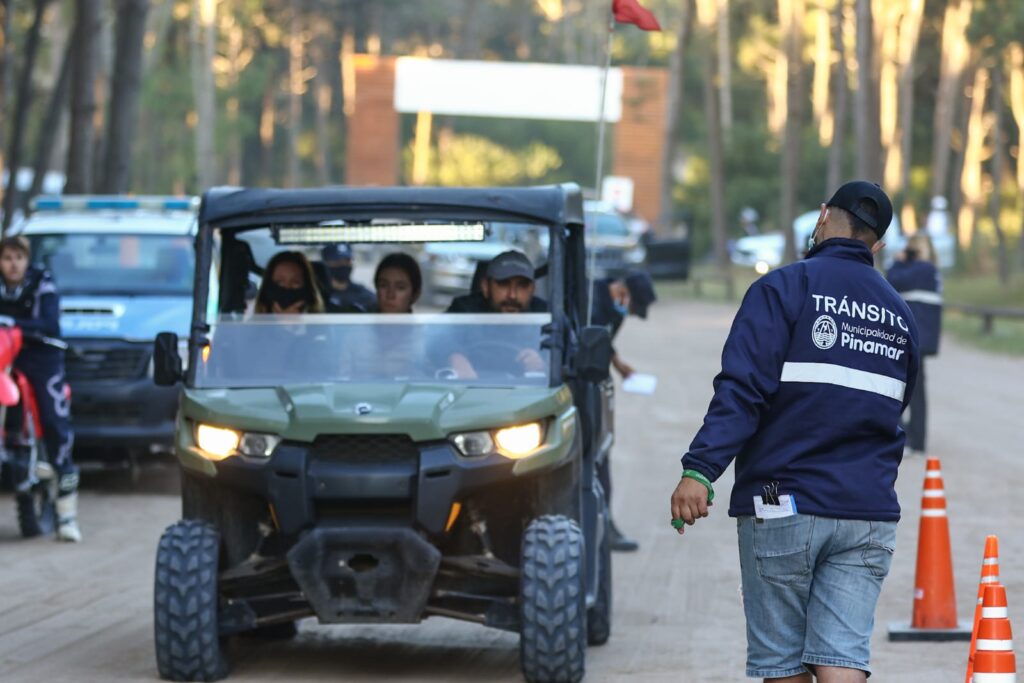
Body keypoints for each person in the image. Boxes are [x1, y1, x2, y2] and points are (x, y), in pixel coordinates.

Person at [669, 182, 919, 683]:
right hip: (867, 514)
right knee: (842, 659)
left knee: (783, 663)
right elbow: (895, 405)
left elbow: (742, 390)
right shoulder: (899, 315)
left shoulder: (783, 288)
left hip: (782, 504)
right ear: (877, 245)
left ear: (823, 216)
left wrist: (700, 470)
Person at [0, 236, 80, 542]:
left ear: (27, 260)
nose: (12, 264)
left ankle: (67, 516)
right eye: (7, 258)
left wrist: (13, 323)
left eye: (18, 258)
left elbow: (49, 323)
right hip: (4, 357)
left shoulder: (42, 283)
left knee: (53, 419)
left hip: (40, 356)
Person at [589, 270, 657, 553]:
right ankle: (598, 526)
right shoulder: (590, 299)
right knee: (594, 455)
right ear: (622, 292)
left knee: (602, 451)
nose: (628, 314)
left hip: (597, 386)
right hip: (580, 389)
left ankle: (605, 524)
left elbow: (603, 342)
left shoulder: (613, 311)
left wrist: (618, 364)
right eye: (631, 307)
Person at [445, 250, 547, 378]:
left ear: (532, 289)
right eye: (503, 284)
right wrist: (454, 356)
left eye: (522, 286)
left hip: (527, 389)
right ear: (486, 286)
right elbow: (437, 339)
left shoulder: (546, 315)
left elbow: (564, 358)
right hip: (471, 387)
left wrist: (544, 364)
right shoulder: (464, 309)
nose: (512, 295)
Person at [887, 232, 942, 457]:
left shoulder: (920, 269)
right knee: (918, 390)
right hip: (923, 338)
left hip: (911, 337)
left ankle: (907, 437)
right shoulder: (932, 270)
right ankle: (917, 440)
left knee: (902, 387)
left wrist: (897, 262)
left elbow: (892, 280)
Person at [254, 251, 325, 314]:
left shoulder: (322, 322)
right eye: (279, 282)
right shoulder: (253, 323)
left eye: (295, 282)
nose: (287, 287)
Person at [320, 244, 375, 312]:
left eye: (347, 261)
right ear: (326, 263)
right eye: (338, 261)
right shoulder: (319, 294)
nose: (343, 265)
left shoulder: (363, 294)